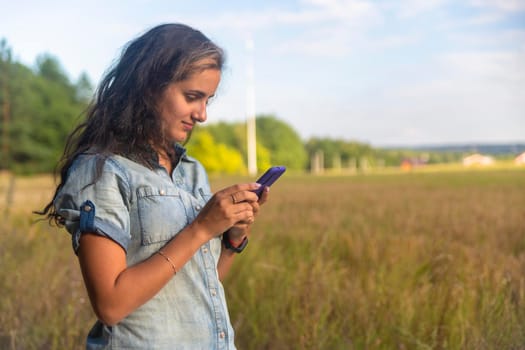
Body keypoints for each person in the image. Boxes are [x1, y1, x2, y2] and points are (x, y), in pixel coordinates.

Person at [38, 23, 269, 349]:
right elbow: (110, 305)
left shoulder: (192, 171)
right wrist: (202, 228)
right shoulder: (102, 171)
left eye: (208, 100)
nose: (202, 114)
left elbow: (196, 286)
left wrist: (232, 238)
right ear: (148, 87)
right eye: (192, 97)